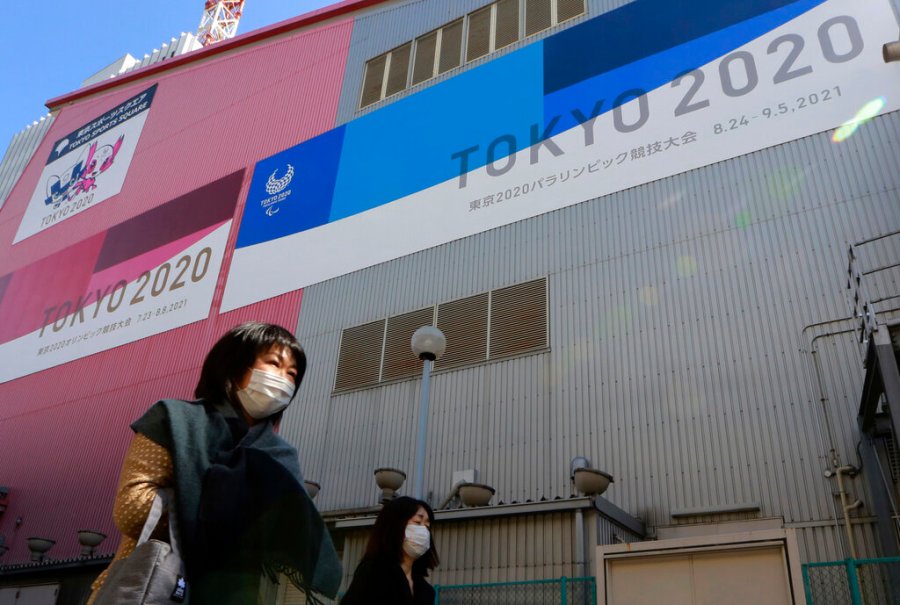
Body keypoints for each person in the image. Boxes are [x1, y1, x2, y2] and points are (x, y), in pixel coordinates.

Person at [88, 322, 342, 605]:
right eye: (274, 363)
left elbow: (287, 538)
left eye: (292, 374)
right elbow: (132, 510)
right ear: (234, 365)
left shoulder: (281, 457)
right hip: (151, 589)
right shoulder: (175, 420)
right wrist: (229, 517)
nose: (283, 379)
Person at [340, 496, 439, 605]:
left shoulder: (425, 591)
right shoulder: (374, 572)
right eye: (417, 522)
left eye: (427, 526)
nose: (424, 531)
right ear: (395, 525)